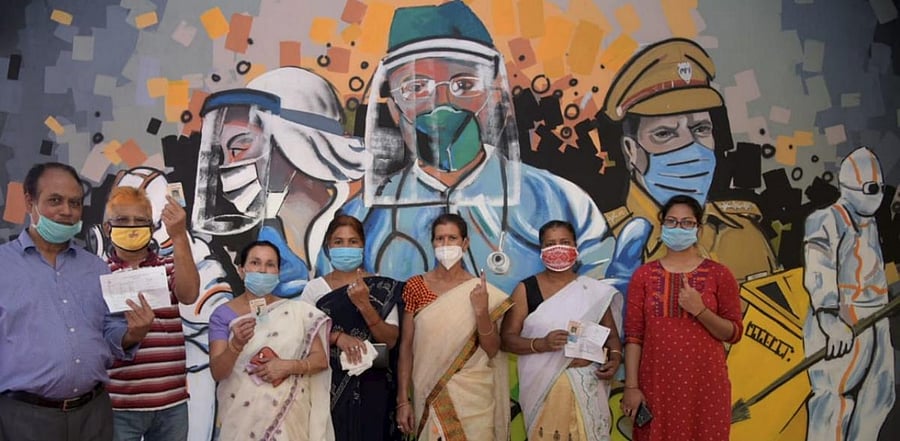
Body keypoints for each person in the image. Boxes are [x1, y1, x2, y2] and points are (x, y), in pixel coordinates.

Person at [324, 0, 646, 295]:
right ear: (394, 110)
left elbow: (594, 301)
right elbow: (334, 298)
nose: (441, 104)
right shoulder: (364, 219)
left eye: (463, 84)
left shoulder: (558, 203)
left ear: (497, 98)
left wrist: (609, 298)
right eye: (415, 87)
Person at [599, 38, 778, 282]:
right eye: (665, 133)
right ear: (631, 151)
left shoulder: (745, 235)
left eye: (701, 129)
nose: (692, 149)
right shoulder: (607, 244)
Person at [0, 162, 154, 441]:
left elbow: (110, 331)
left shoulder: (96, 269)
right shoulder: (3, 267)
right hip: (22, 418)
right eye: (55, 201)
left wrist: (133, 333)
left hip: (93, 414)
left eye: (75, 203)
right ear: (29, 201)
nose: (67, 211)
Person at [622, 195, 743, 441]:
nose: (679, 228)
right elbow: (634, 336)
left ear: (698, 230)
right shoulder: (643, 276)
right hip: (656, 388)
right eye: (672, 222)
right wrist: (631, 387)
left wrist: (700, 310)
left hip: (705, 388)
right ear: (662, 226)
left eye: (687, 223)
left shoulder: (719, 274)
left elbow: (733, 333)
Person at [501, 220, 624, 440]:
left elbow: (612, 337)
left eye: (564, 242)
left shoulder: (594, 291)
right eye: (551, 244)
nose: (558, 248)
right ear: (541, 250)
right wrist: (541, 344)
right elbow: (507, 339)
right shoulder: (525, 289)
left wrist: (613, 359)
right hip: (542, 393)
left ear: (575, 247)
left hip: (587, 388)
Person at [802, 146, 894, 441]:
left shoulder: (870, 223)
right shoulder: (826, 219)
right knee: (833, 402)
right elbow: (819, 270)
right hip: (841, 321)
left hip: (875, 319)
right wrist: (829, 319)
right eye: (871, 187)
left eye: (879, 187)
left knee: (879, 398)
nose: (877, 193)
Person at [395, 213, 512, 440]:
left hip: (474, 399)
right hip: (427, 392)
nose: (446, 245)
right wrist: (402, 401)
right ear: (432, 243)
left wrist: (481, 311)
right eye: (440, 239)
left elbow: (492, 349)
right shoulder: (416, 287)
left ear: (465, 243)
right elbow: (406, 348)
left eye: (452, 238)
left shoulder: (481, 290)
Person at [207, 241, 333, 441]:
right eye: (255, 263)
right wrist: (235, 346)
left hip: (290, 422)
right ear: (241, 270)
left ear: (278, 273)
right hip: (240, 422)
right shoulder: (223, 315)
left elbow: (320, 360)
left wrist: (287, 366)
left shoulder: (297, 312)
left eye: (270, 264)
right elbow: (217, 371)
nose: (263, 270)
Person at [102, 186, 200, 441]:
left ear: (152, 227)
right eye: (122, 220)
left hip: (172, 401)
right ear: (107, 227)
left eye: (140, 221)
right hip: (120, 405)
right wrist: (131, 334)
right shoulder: (98, 273)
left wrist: (179, 236)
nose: (132, 227)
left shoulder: (168, 265)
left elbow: (189, 294)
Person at [300, 214, 404, 441]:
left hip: (374, 391)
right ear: (328, 246)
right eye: (338, 242)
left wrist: (365, 305)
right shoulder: (314, 289)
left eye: (352, 241)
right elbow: (304, 336)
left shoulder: (382, 287)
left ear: (362, 246)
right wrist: (338, 338)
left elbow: (391, 340)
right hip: (328, 387)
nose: (345, 247)